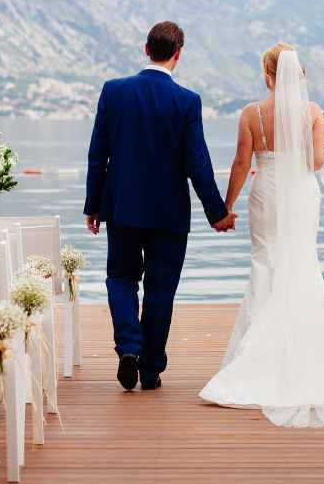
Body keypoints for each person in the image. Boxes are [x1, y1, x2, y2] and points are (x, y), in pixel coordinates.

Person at [198, 43, 324, 427]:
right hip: (301, 194)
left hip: (266, 191)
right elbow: (316, 162)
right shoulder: (311, 113)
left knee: (265, 264)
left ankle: (253, 359)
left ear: (267, 74)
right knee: (302, 263)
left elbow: (242, 162)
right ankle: (302, 357)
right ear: (300, 74)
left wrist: (225, 207)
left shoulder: (251, 113)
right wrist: (323, 136)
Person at [84, 21, 237, 392]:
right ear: (178, 54)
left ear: (145, 49)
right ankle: (150, 368)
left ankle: (129, 349)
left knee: (120, 278)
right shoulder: (186, 101)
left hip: (121, 207)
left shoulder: (114, 91)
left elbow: (97, 154)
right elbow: (197, 163)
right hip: (169, 213)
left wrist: (94, 205)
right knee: (160, 289)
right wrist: (217, 213)